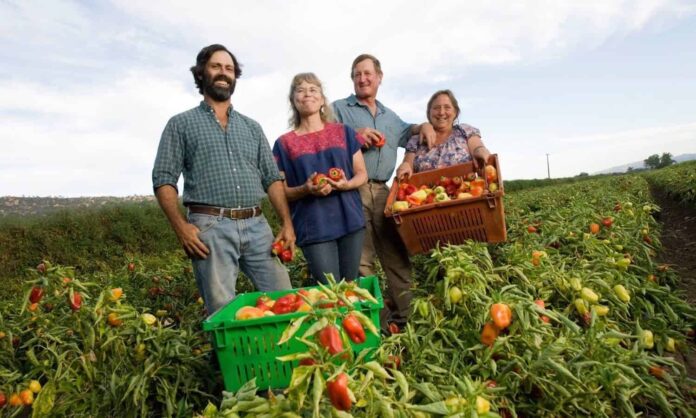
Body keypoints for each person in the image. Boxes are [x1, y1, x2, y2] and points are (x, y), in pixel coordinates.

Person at [152, 44, 294, 315]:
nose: (223, 73)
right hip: (210, 227)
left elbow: (272, 179)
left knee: (284, 301)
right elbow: (163, 179)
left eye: (229, 69)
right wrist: (181, 227)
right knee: (222, 311)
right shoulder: (181, 124)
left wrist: (287, 224)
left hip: (257, 225)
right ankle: (232, 358)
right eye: (216, 66)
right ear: (201, 73)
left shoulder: (251, 127)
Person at [332, 54, 435, 330]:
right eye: (357, 74)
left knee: (396, 254)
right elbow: (323, 138)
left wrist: (423, 125)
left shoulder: (389, 116)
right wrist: (354, 136)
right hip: (350, 190)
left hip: (382, 191)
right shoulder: (339, 109)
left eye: (367, 73)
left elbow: (408, 131)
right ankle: (379, 325)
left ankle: (406, 321)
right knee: (361, 262)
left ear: (379, 77)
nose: (362, 79)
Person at [273, 73, 367, 284]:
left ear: (323, 99)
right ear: (293, 101)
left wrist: (346, 184)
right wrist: (306, 189)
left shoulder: (344, 132)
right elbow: (280, 191)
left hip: (350, 220)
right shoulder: (283, 144)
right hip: (313, 226)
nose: (307, 94)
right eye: (300, 90)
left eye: (313, 89)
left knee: (351, 286)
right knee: (329, 291)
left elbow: (362, 174)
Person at [396, 89, 492, 178]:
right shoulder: (416, 139)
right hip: (426, 194)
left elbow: (477, 148)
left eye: (447, 107)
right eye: (436, 108)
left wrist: (481, 150)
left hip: (465, 193)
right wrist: (405, 167)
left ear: (455, 112)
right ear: (429, 113)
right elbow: (407, 165)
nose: (441, 112)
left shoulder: (465, 130)